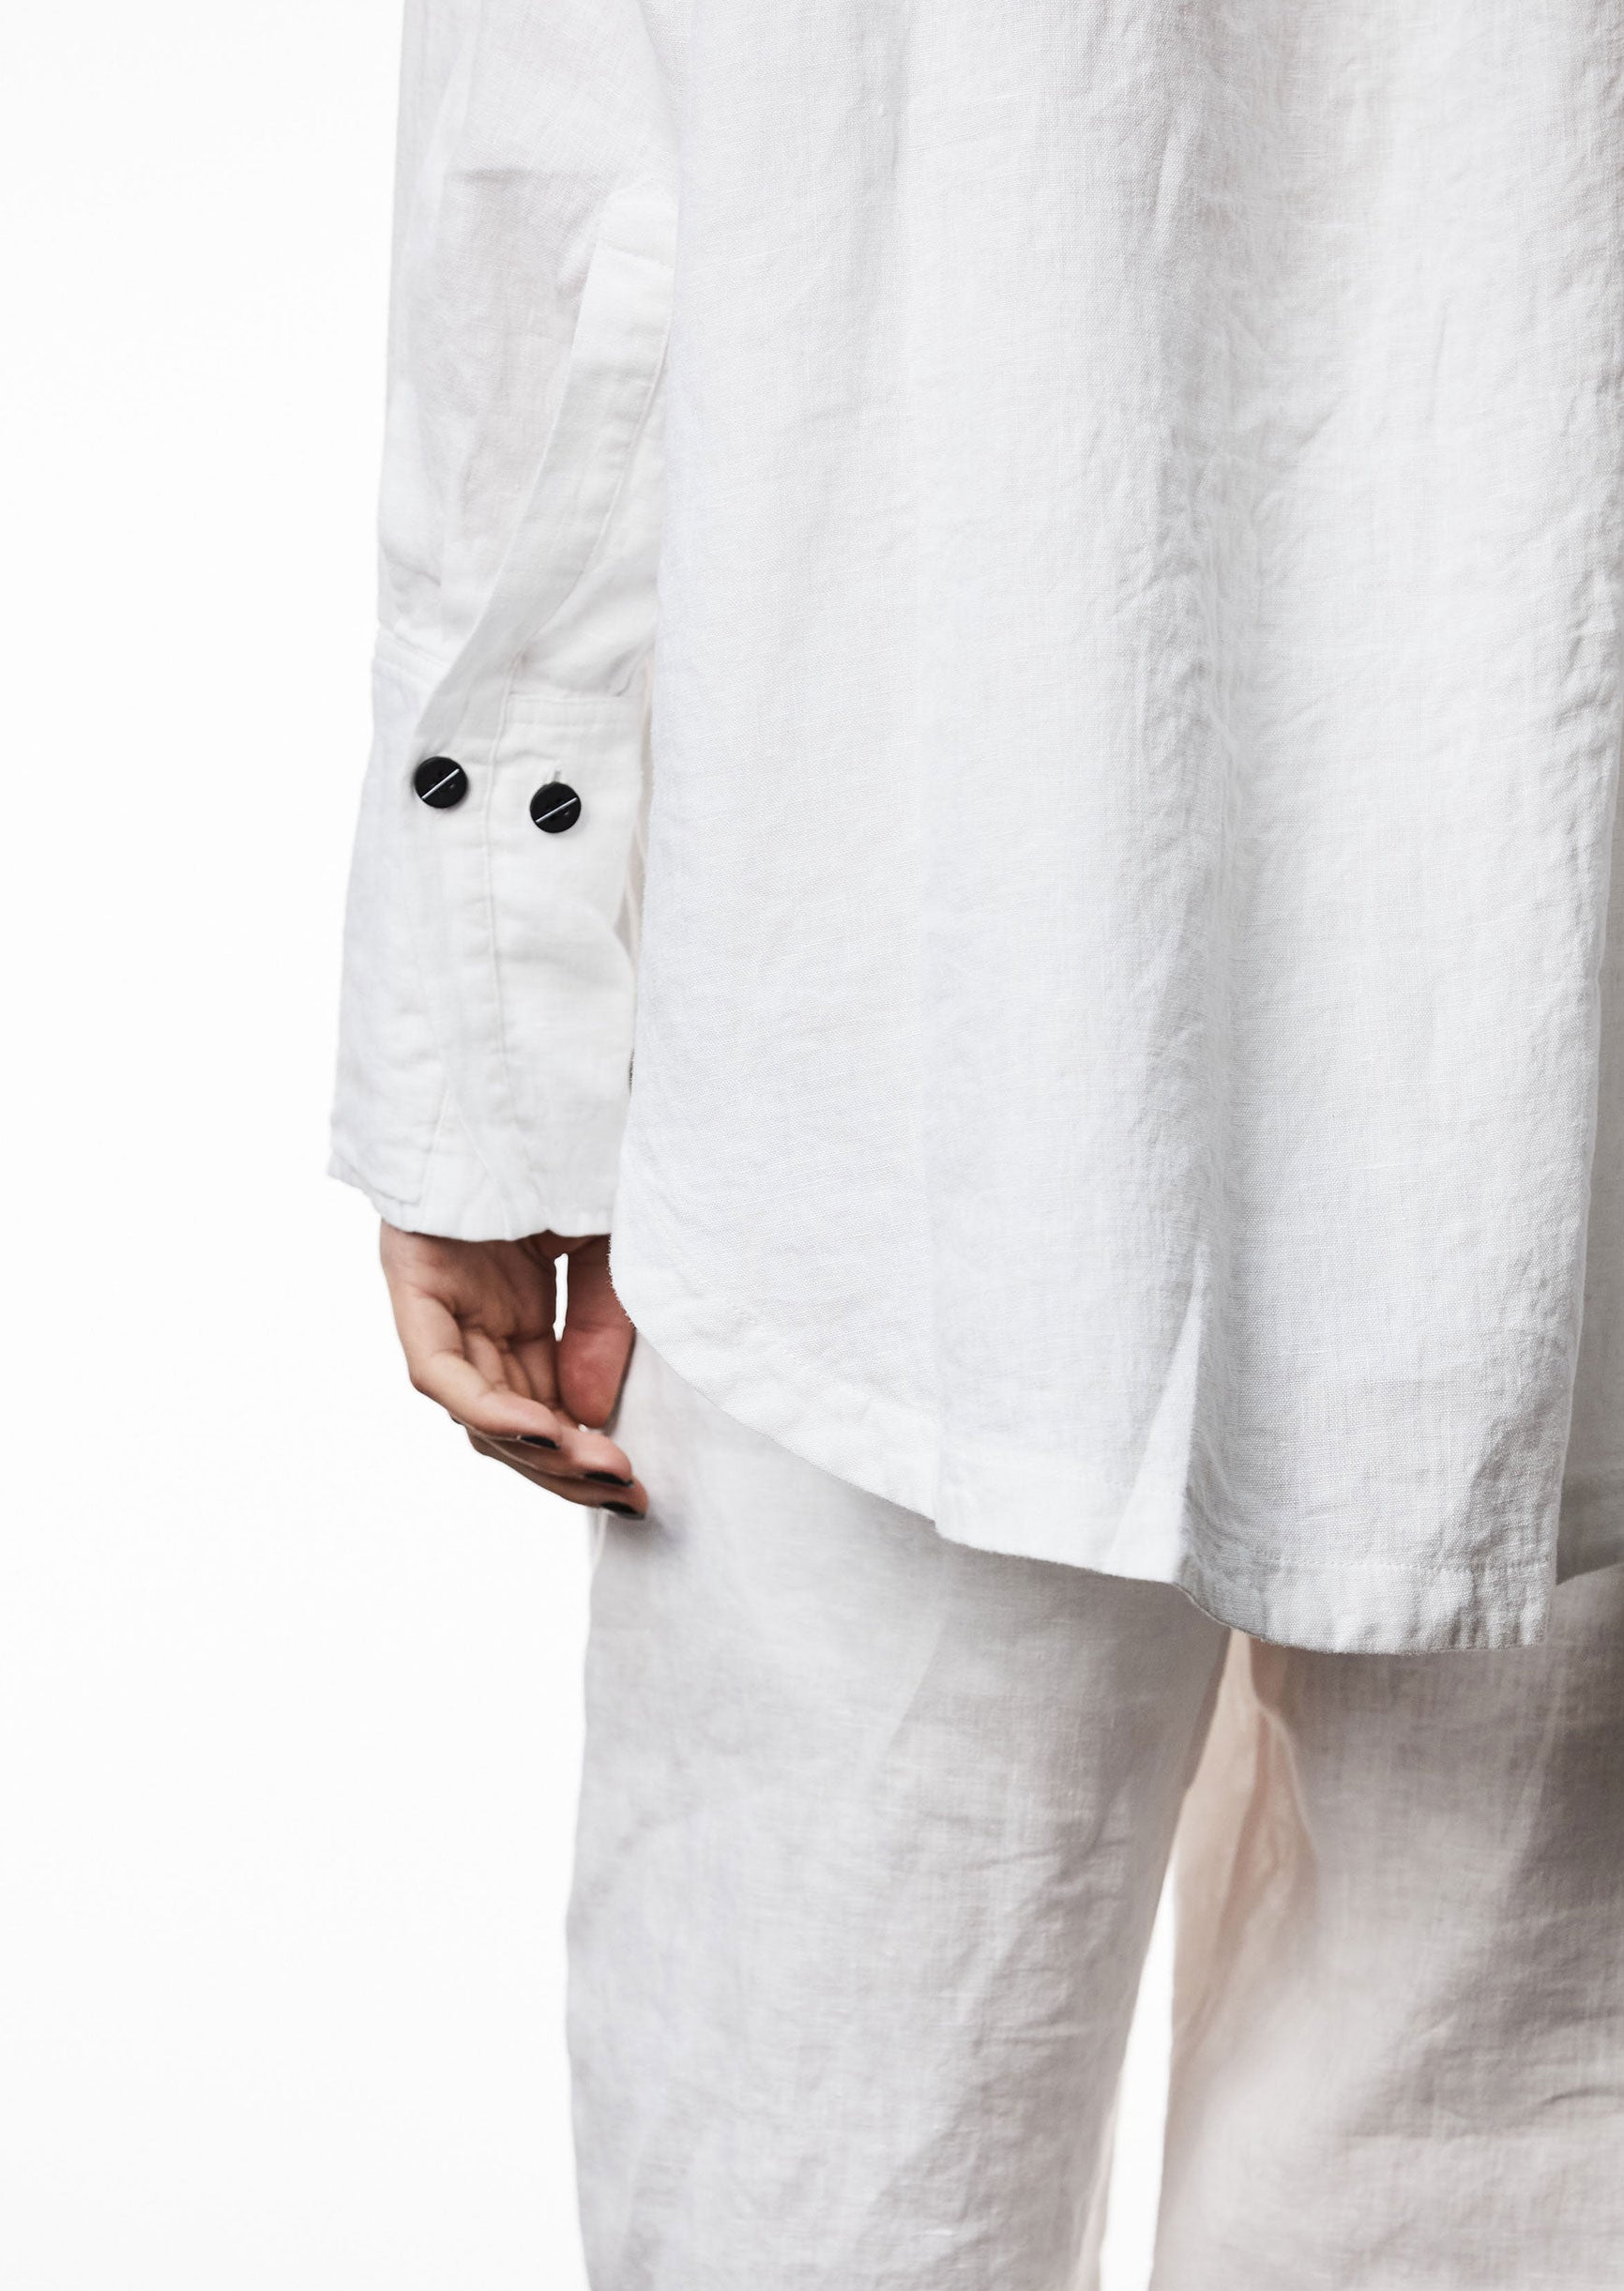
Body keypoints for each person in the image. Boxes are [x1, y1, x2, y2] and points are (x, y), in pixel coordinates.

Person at [332, 3, 1624, 2283]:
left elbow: (556, 156)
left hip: (895, 1011)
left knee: (827, 2168)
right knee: (1502, 2153)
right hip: (1530, 970)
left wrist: (489, 1037)